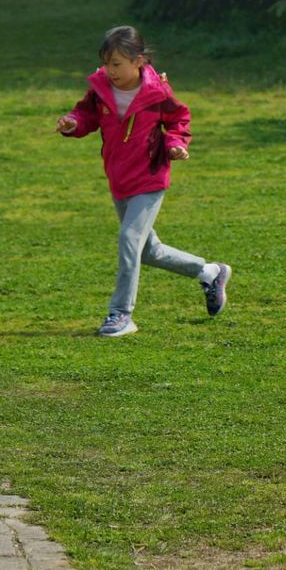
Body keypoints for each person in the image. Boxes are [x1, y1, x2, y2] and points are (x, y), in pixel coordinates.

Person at [56, 26, 230, 338]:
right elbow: (86, 116)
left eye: (117, 64)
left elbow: (178, 120)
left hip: (150, 177)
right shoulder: (100, 89)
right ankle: (209, 272)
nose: (111, 71)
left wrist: (176, 144)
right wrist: (72, 124)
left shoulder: (157, 93)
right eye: (107, 63)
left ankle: (120, 315)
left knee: (128, 241)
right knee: (147, 250)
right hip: (119, 177)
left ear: (139, 61)